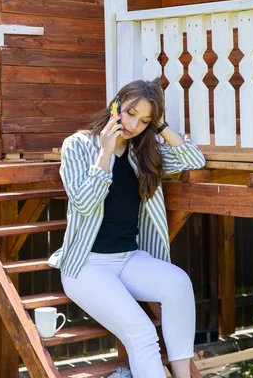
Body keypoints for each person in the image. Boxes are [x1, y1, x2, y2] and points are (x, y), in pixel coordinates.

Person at [47, 78, 206, 378]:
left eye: (144, 120)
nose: (134, 124)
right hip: (86, 266)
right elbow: (83, 203)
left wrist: (159, 126)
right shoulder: (78, 145)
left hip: (128, 259)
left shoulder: (142, 154)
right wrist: (105, 153)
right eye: (131, 113)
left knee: (178, 284)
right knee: (142, 333)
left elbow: (192, 158)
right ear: (116, 105)